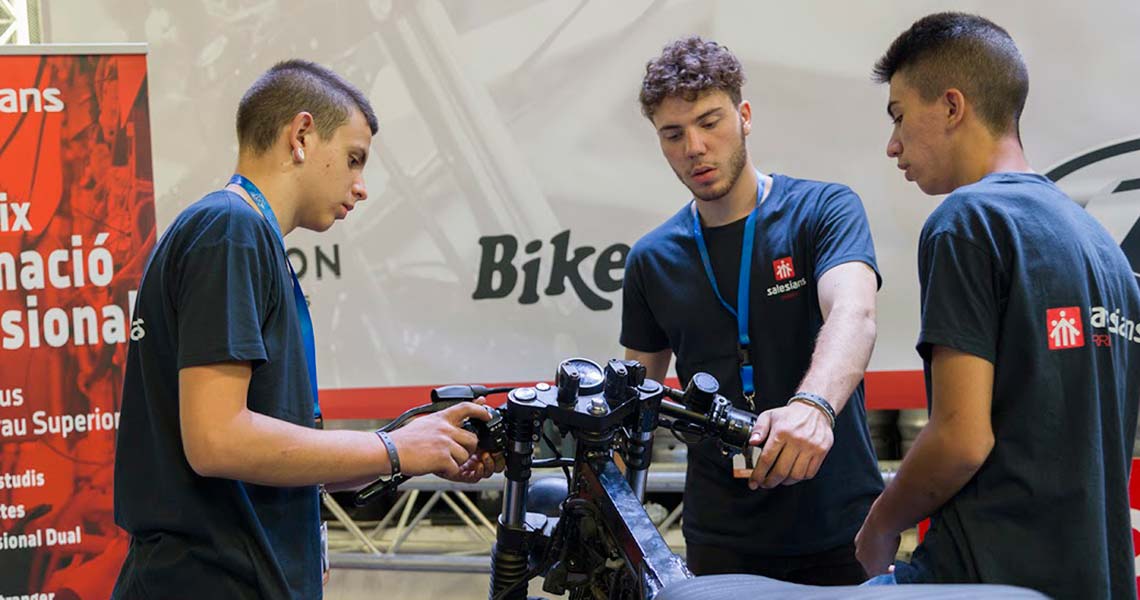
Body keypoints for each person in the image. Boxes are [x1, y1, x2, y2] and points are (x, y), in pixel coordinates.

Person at [111, 60, 498, 599]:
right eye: (354, 160)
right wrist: (392, 448)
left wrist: (418, 445)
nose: (362, 188)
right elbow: (217, 441)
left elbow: (270, 456)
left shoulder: (241, 235)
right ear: (301, 136)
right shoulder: (232, 229)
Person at [854, 13, 1140, 599]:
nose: (893, 145)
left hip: (987, 576)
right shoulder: (1106, 255)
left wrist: (881, 523)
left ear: (953, 106)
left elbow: (962, 439)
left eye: (900, 116)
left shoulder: (968, 222)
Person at [621, 36, 883, 585]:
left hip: (841, 525)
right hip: (722, 539)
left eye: (709, 122)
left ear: (744, 116)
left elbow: (853, 314)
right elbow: (636, 404)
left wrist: (813, 407)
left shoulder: (822, 211)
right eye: (673, 134)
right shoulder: (652, 258)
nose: (694, 146)